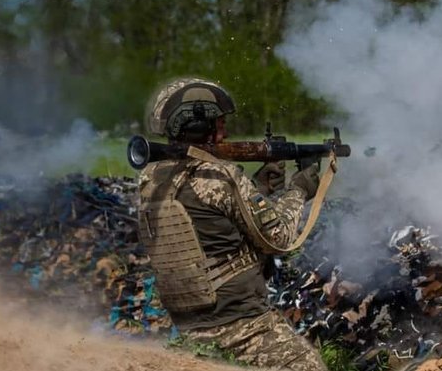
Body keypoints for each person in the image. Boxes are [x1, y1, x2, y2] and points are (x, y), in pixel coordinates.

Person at [137, 77, 327, 371]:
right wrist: (298, 191)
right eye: (219, 123)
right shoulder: (221, 177)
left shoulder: (152, 178)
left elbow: (208, 219)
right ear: (200, 126)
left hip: (190, 325)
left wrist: (257, 189)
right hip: (241, 327)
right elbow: (279, 240)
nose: (224, 132)